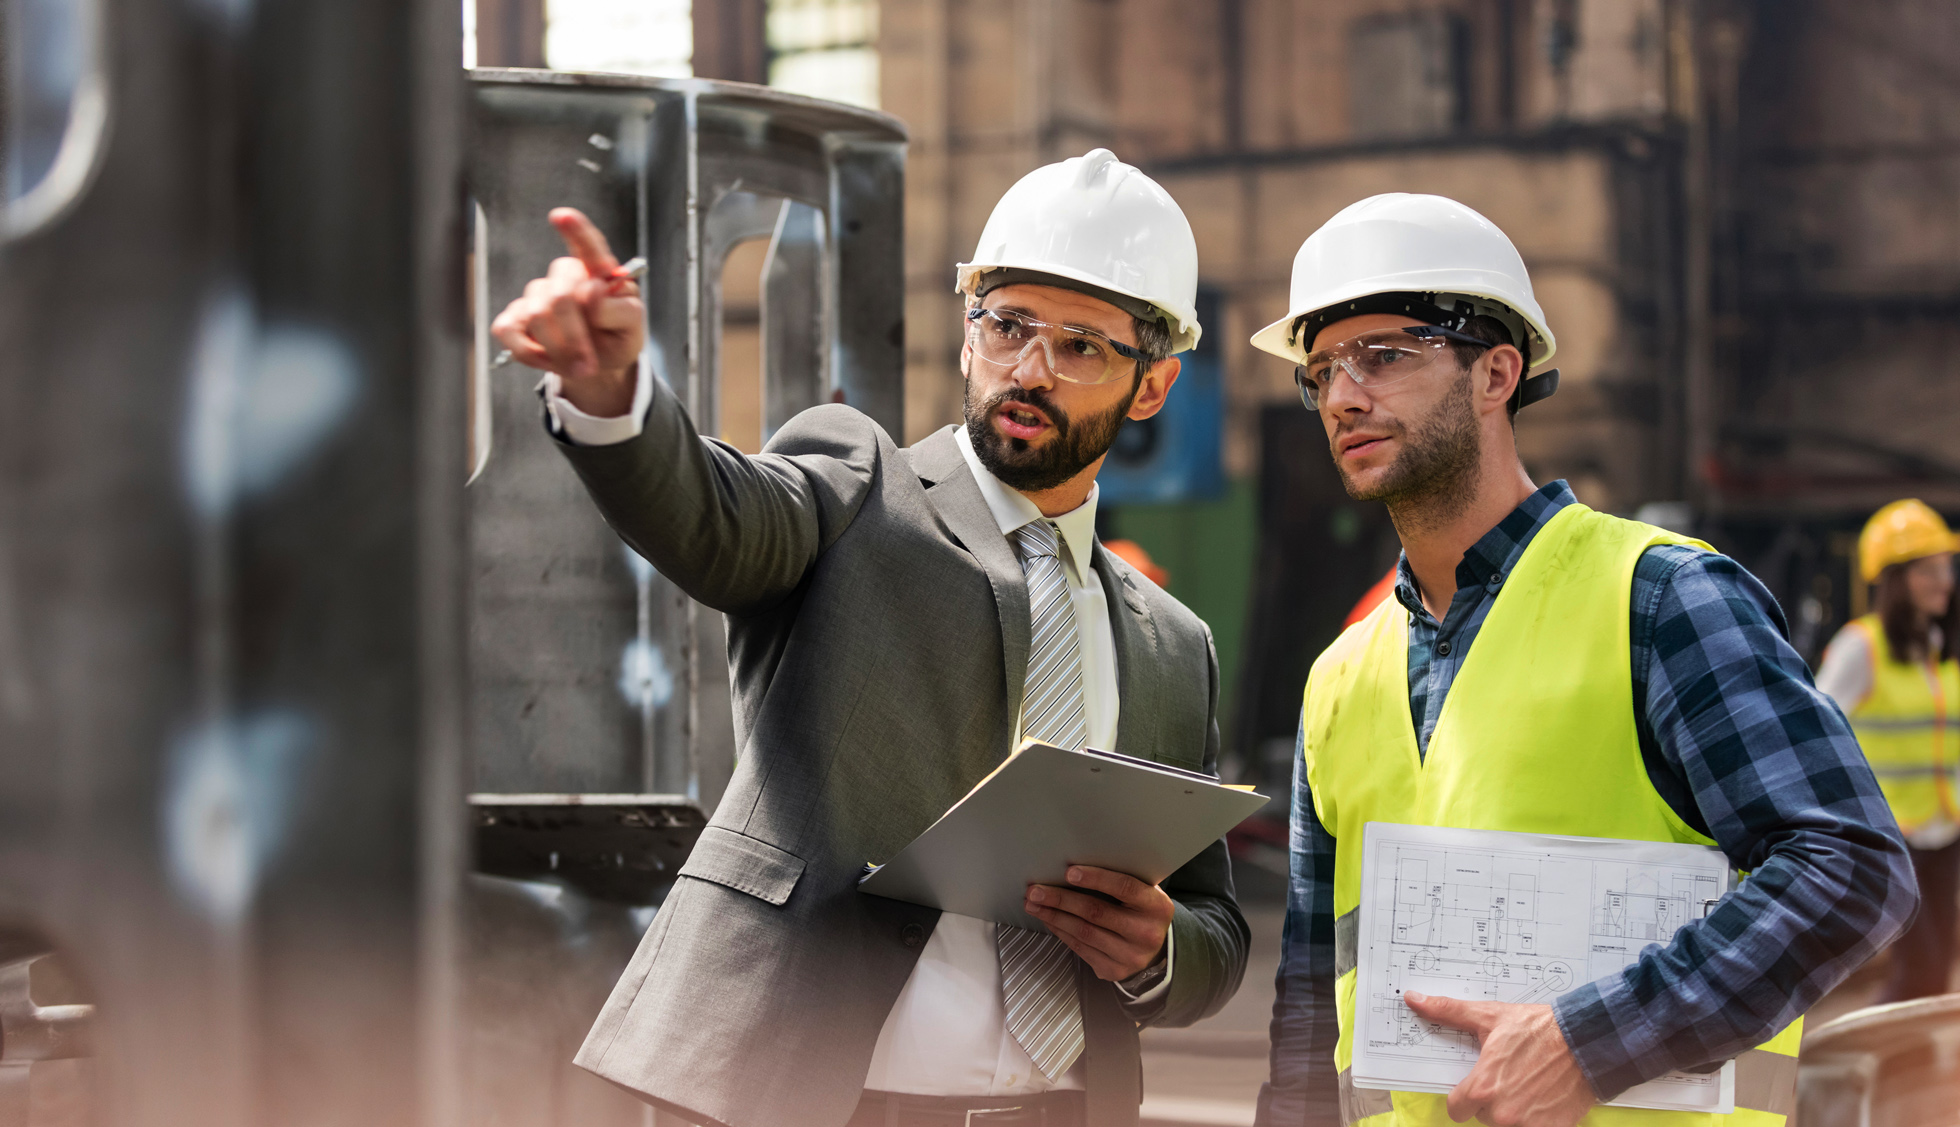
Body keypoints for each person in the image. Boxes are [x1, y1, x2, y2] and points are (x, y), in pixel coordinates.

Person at [490, 148, 1247, 1127]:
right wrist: (612, 401)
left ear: (1151, 386)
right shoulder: (856, 490)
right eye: (1007, 325)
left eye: (1081, 346)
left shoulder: (1172, 643)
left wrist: (1158, 949)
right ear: (968, 334)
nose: (1030, 368)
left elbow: (1214, 927)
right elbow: (711, 516)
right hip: (818, 1096)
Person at [1245, 193, 1916, 1127]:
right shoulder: (1338, 679)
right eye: (1321, 371)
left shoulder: (1661, 601)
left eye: (1385, 355)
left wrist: (1589, 1040)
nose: (1345, 395)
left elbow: (1850, 865)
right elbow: (1313, 1011)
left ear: (1497, 372)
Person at [1815, 499, 1960, 1002]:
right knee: (1917, 971)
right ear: (1896, 578)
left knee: (1936, 971)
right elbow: (1813, 733)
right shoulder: (1861, 648)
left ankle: (1904, 1074)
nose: (1946, 580)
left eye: (1947, 567)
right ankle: (1886, 1072)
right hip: (1895, 837)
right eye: (1931, 569)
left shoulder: (1936, 648)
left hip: (1944, 834)